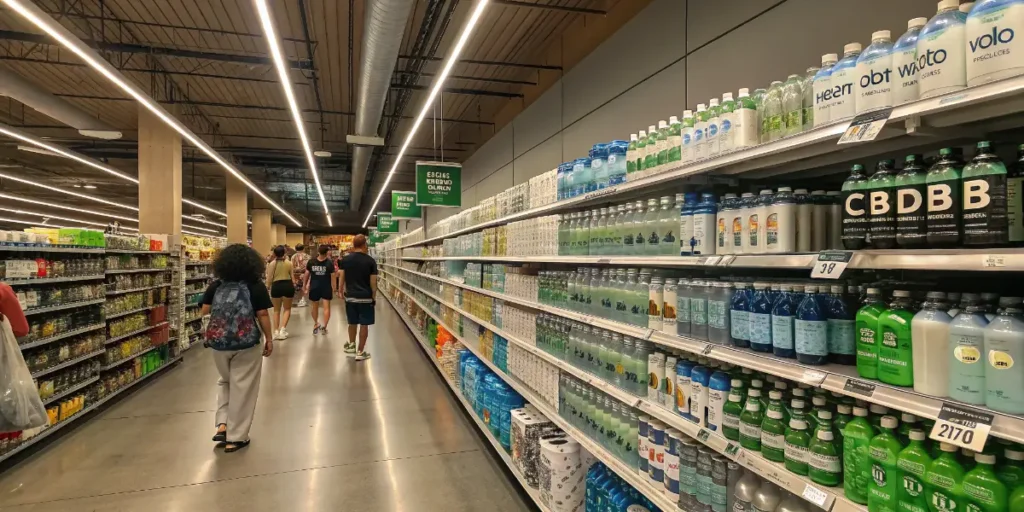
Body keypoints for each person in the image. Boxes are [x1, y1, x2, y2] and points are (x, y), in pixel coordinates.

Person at [201, 244, 273, 453]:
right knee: (244, 387)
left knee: (225, 380)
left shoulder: (216, 285)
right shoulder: (254, 285)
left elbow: (205, 311)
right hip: (246, 343)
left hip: (219, 344)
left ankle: (222, 424)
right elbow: (263, 315)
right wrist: (269, 338)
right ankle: (236, 436)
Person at [338, 234, 377, 361]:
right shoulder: (370, 261)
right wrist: (373, 296)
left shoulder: (345, 260)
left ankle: (351, 345)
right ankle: (360, 352)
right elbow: (373, 282)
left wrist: (340, 290)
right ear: (364, 244)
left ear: (354, 245)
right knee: (364, 324)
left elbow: (342, 276)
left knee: (352, 322)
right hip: (365, 297)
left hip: (350, 296)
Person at [302, 244, 336, 335]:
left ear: (318, 252)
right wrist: (334, 287)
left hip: (314, 286)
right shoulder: (329, 263)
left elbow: (306, 274)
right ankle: (324, 327)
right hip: (326, 286)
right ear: (327, 253)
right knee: (326, 308)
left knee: (314, 307)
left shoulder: (312, 262)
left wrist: (304, 285)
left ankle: (316, 323)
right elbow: (333, 276)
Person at [266, 245, 294, 340]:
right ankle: (283, 329)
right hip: (288, 285)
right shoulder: (289, 263)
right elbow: (293, 278)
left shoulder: (272, 264)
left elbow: (269, 278)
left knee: (276, 310)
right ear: (284, 253)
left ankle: (276, 331)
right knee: (287, 309)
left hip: (276, 286)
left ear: (274, 253)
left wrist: (268, 287)